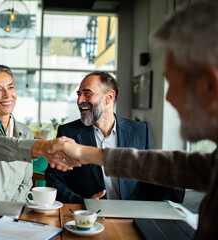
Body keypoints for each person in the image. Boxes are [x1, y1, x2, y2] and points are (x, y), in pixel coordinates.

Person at [48, 1, 218, 239]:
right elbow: (159, 165)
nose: (168, 98)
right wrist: (82, 153)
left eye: (174, 83)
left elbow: (156, 173)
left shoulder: (140, 130)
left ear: (209, 84)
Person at [45, 72, 183, 203]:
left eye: (87, 93)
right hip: (89, 218)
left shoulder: (140, 130)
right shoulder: (68, 132)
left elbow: (151, 178)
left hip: (132, 217)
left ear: (109, 97)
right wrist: (82, 203)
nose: (80, 100)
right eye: (79, 94)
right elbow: (55, 180)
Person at [0, 64, 75, 201]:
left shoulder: (26, 133)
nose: (7, 95)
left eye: (11, 87)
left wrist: (10, 210)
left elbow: (26, 182)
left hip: (9, 214)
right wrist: (42, 147)